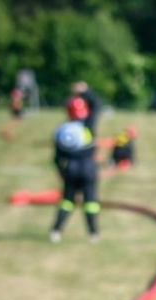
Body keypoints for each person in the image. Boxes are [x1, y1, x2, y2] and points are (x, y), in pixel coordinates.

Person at [48, 96, 100, 244]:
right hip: (88, 169)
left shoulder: (60, 131)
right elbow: (97, 105)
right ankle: (93, 234)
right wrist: (86, 91)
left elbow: (57, 159)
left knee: (67, 201)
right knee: (90, 202)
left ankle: (56, 231)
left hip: (70, 170)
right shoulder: (88, 127)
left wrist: (62, 173)